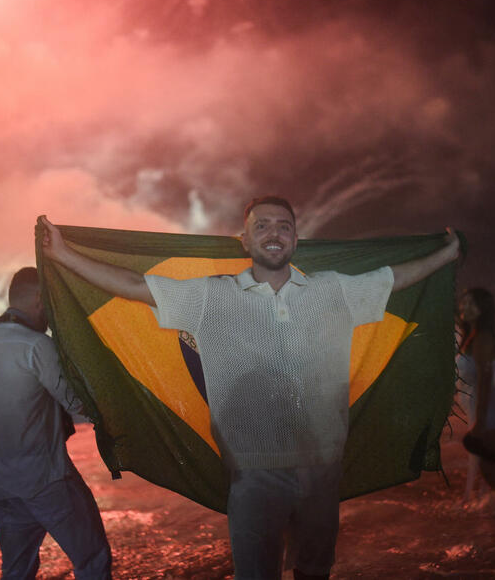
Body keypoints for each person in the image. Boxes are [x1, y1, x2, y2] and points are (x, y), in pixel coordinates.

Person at [39, 196, 460, 580]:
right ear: (244, 240)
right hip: (254, 475)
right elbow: (133, 286)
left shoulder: (334, 290)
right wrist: (63, 254)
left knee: (315, 572)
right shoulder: (211, 297)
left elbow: (394, 279)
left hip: (323, 469)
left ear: (296, 239)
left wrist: (447, 253)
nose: (273, 233)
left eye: (283, 226)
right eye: (262, 226)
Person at [0, 267, 111, 580]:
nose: (51, 312)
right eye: (49, 301)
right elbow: (75, 402)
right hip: (46, 479)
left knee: (17, 571)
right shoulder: (36, 346)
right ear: (37, 298)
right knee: (92, 559)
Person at [456, 287, 495, 499]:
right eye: (464, 302)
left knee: (494, 478)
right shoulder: (471, 335)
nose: (464, 307)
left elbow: (485, 384)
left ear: (482, 310)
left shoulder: (482, 338)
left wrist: (479, 423)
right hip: (482, 414)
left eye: (471, 304)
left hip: (489, 416)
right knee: (494, 477)